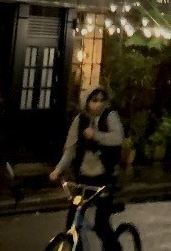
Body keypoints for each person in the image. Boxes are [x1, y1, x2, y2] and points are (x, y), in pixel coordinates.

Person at [50, 86, 124, 251]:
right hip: (84, 180)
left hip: (104, 179)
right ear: (86, 102)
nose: (98, 104)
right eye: (94, 100)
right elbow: (70, 149)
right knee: (73, 221)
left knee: (100, 223)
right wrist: (58, 170)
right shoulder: (80, 120)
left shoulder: (109, 116)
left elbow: (117, 138)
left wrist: (96, 135)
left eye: (101, 100)